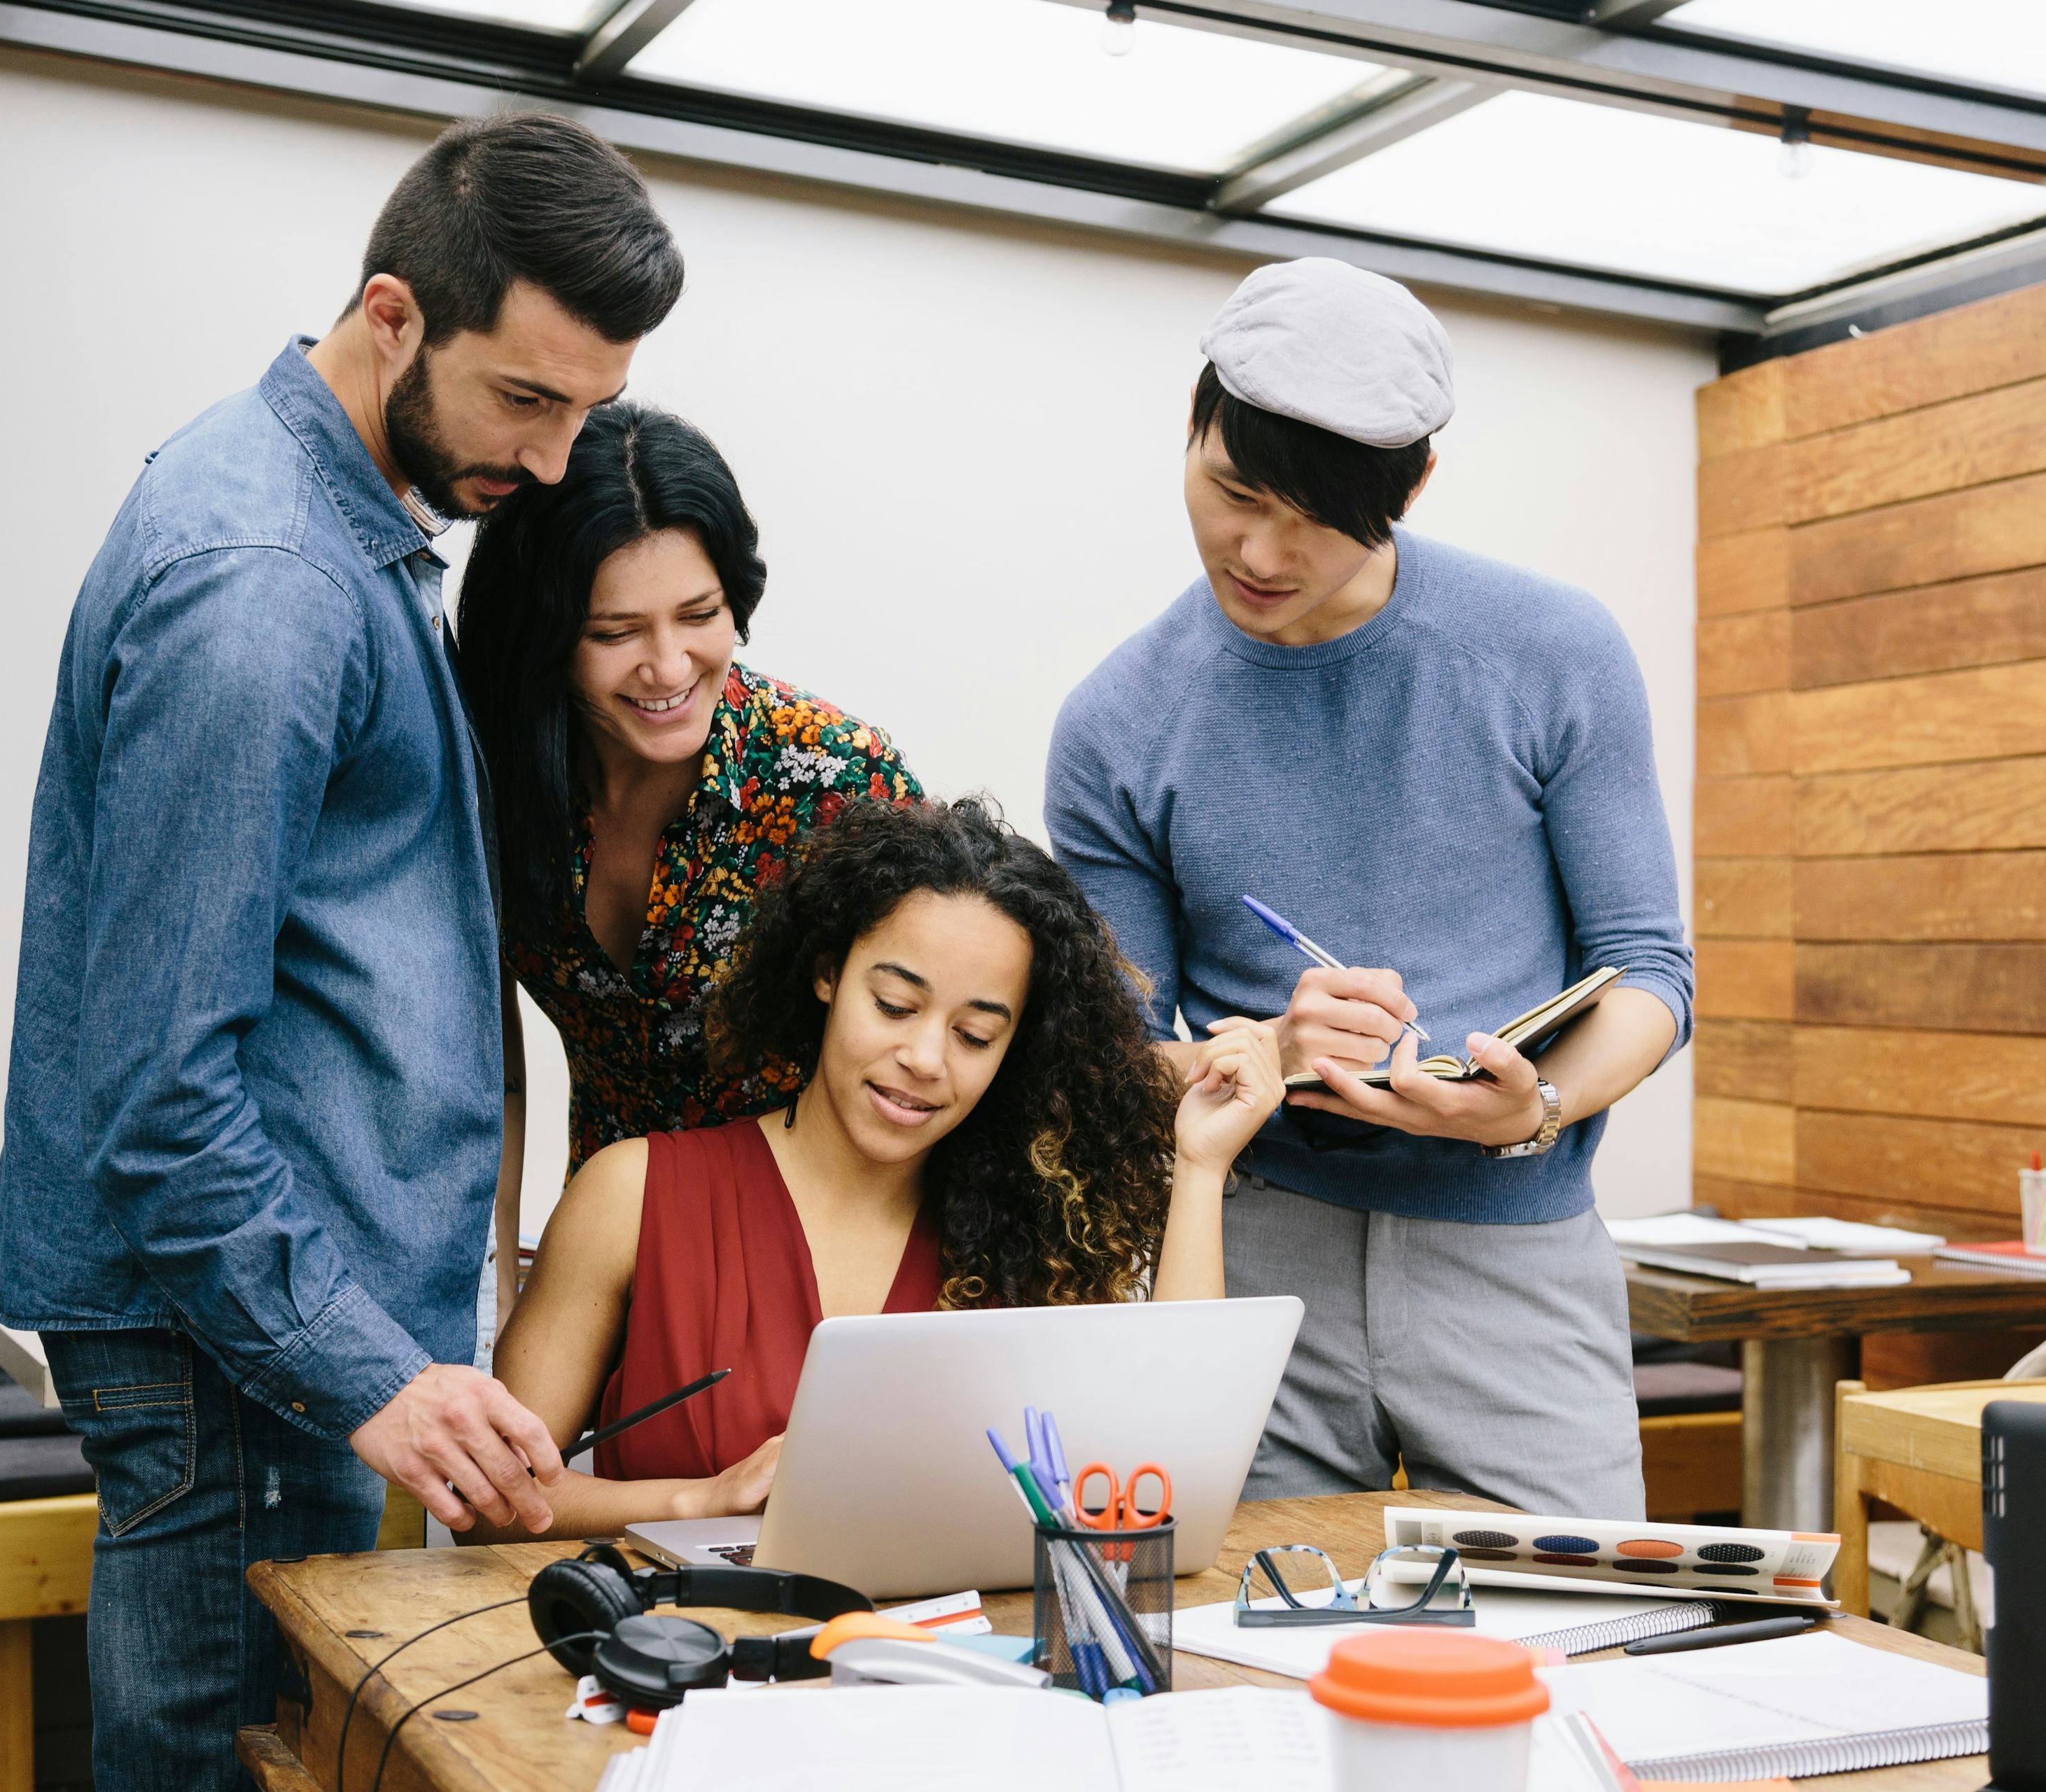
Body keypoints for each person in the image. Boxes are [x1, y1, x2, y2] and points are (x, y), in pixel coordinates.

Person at [0, 116, 682, 1786]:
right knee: (220, 1769)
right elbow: (159, 1088)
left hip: (264, 1326)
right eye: (526, 400)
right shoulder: (268, 582)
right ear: (391, 317)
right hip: (236, 1344)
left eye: (587, 405)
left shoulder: (324, 515)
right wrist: (376, 1370)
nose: (562, 459)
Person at [1044, 258, 1693, 1520]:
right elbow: (1106, 1061)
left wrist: (1531, 1107)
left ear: (1414, 491)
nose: (1263, 550)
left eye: (1320, 519)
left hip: (1518, 1238)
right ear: (1192, 424)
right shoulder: (1118, 725)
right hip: (1256, 1246)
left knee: (1575, 1640)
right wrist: (1271, 1053)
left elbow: (1651, 973)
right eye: (1233, 491)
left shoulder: (1556, 654)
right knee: (1243, 1629)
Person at [480, 797, 1284, 1539]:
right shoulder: (634, 1193)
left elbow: (1163, 1473)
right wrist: (696, 1499)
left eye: (975, 1035)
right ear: (828, 973)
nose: (925, 1058)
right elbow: (491, 1504)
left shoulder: (1025, 1232)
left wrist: (1202, 1164)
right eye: (895, 1006)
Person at [452, 405, 919, 1326]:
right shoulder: (496, 780)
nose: (669, 666)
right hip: (613, 1259)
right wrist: (495, 1294)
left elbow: (939, 1049)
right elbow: (488, 1075)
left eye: (700, 616)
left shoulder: (835, 777)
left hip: (823, 1277)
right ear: (542, 635)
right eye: (615, 632)